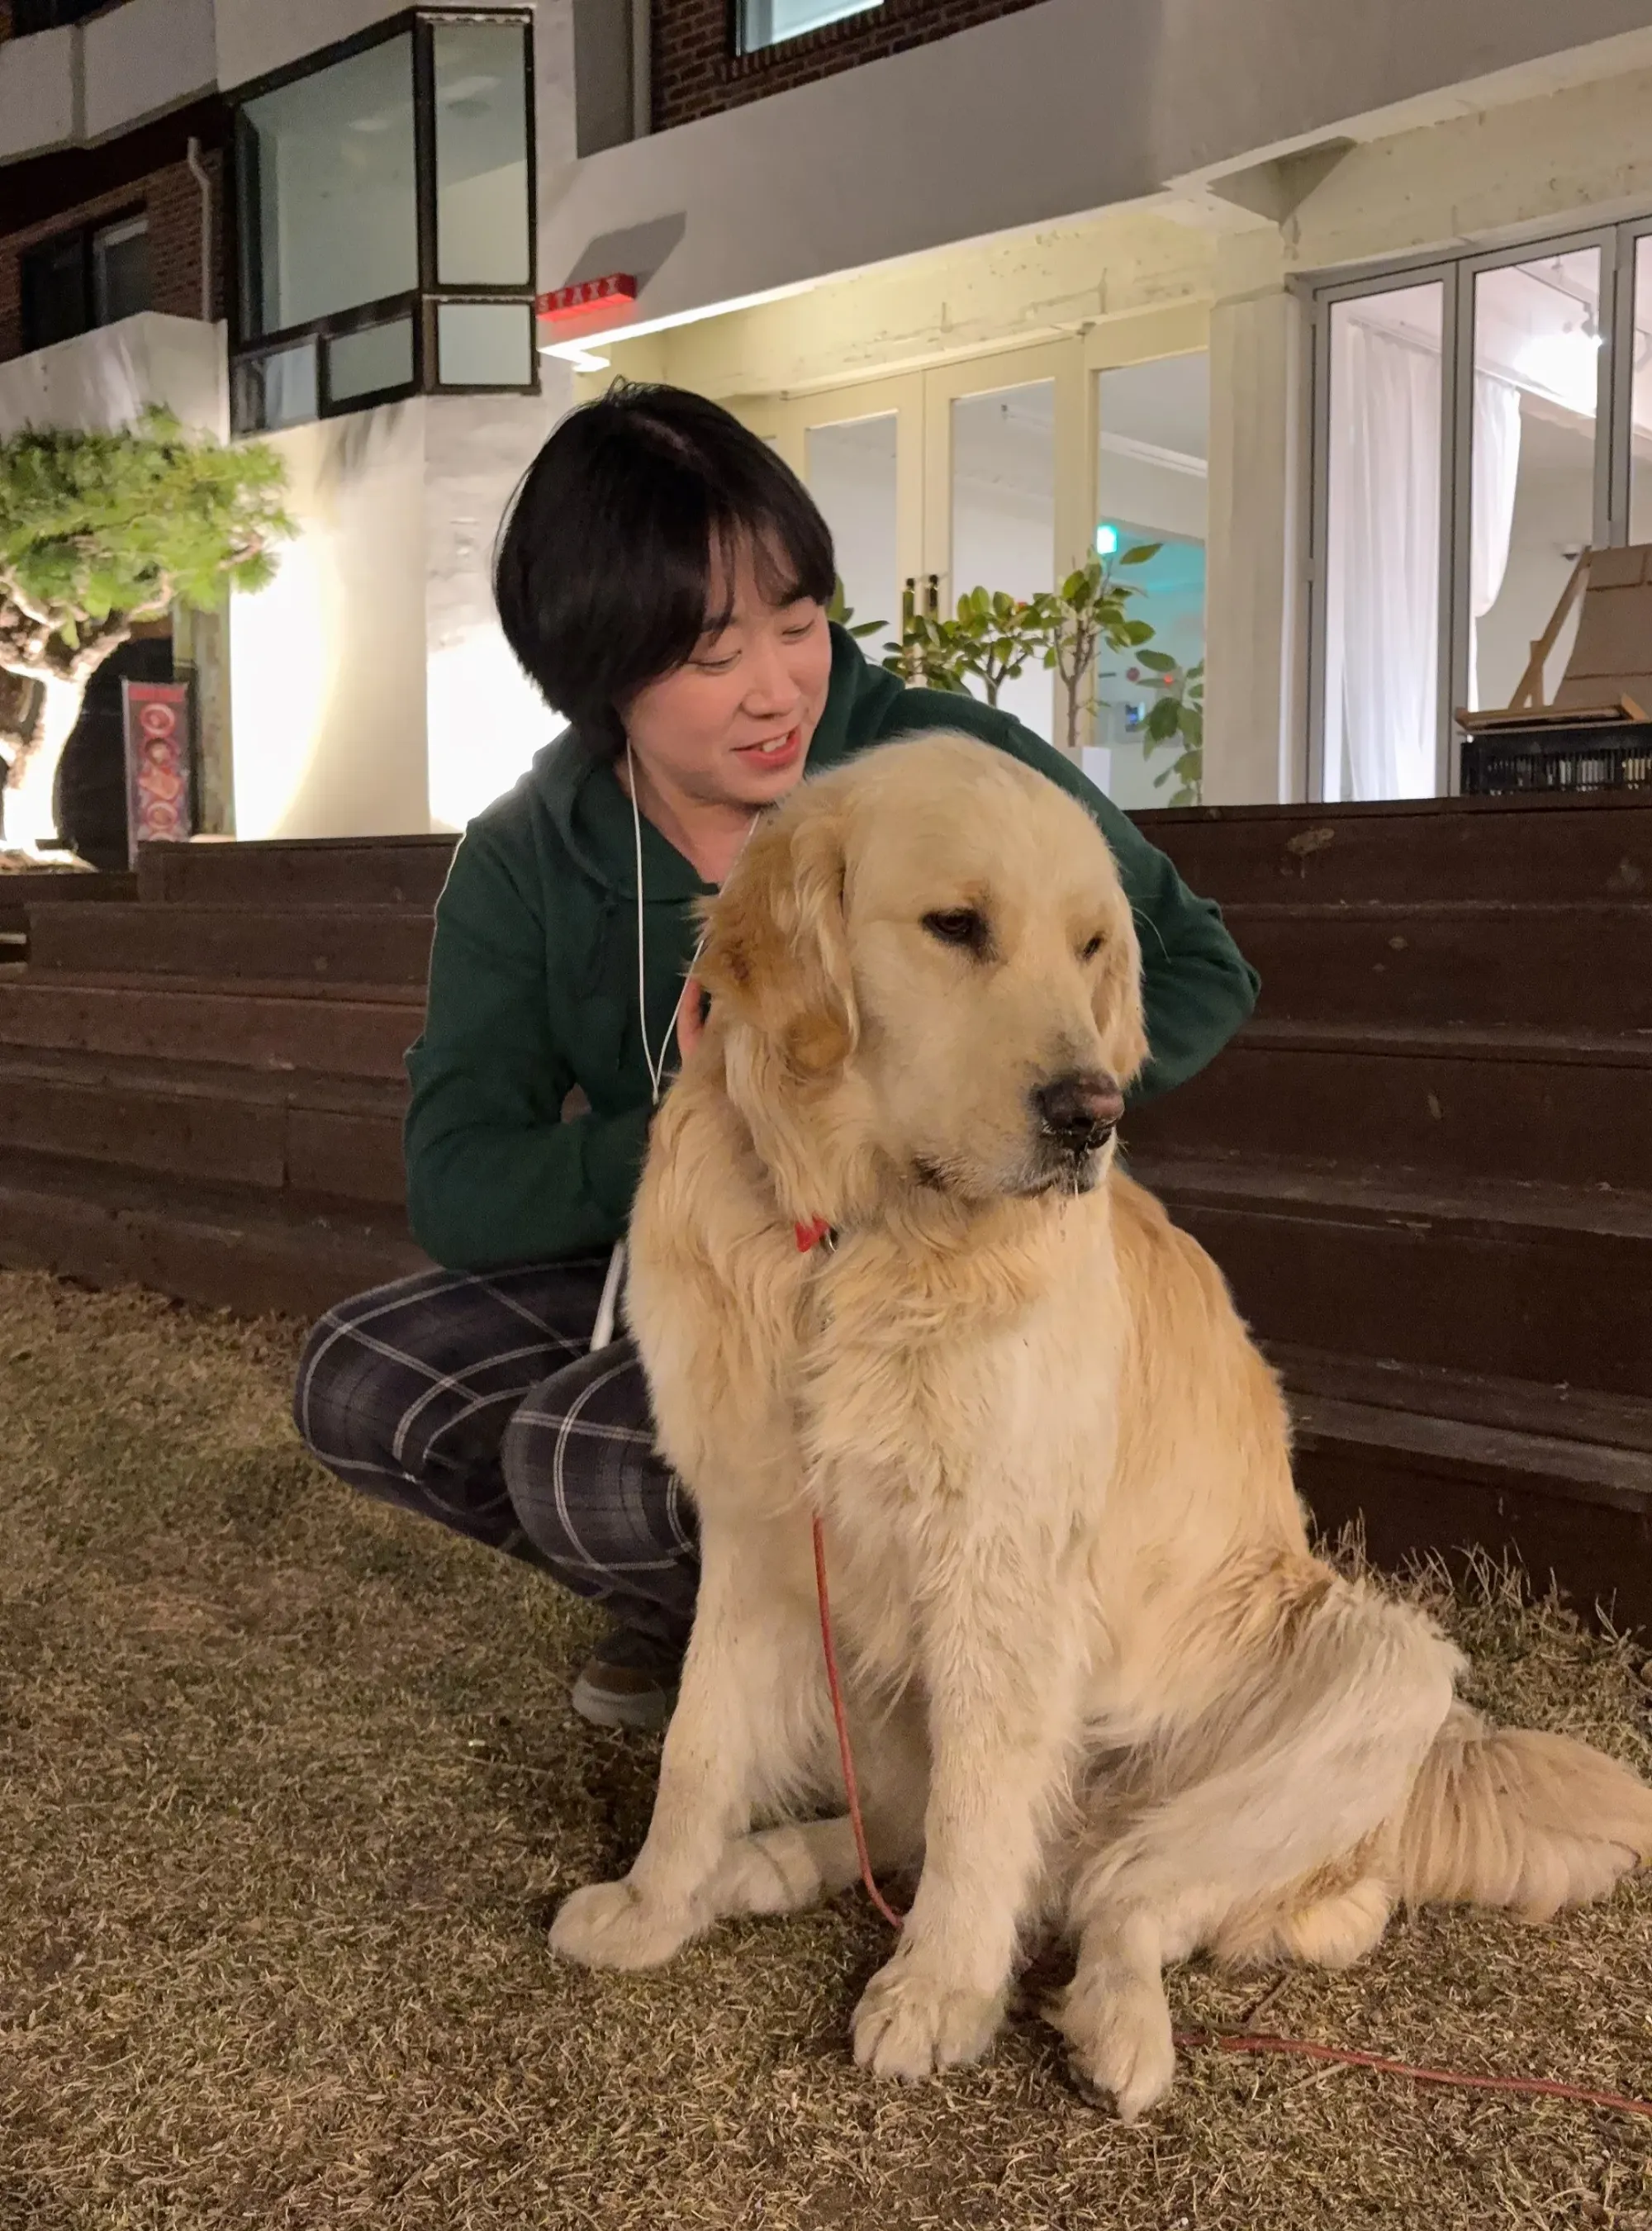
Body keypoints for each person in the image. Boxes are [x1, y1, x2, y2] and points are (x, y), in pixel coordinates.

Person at [292, 381, 1259, 1732]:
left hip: (925, 1266)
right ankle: (709, 1622)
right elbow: (458, 1185)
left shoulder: (947, 763)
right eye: (710, 653)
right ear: (599, 666)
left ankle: (881, 1675)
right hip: (688, 1259)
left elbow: (1201, 970)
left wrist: (1001, 1096)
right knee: (365, 1381)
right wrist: (710, 1116)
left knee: (581, 1457)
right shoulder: (525, 854)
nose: (775, 688)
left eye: (798, 624)